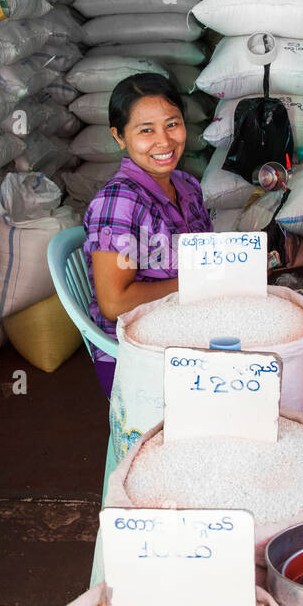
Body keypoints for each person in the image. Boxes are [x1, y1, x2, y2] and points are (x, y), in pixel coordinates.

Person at [83, 73, 212, 397]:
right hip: (135, 353)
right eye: (146, 130)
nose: (164, 141)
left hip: (185, 325)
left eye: (172, 124)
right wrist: (203, 282)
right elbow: (114, 303)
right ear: (119, 137)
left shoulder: (186, 186)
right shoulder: (120, 201)